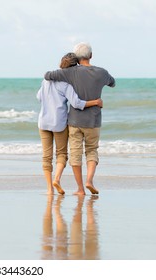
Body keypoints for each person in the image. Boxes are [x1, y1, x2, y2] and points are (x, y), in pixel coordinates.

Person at [44, 42, 115, 196]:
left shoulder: (70, 73)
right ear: (91, 55)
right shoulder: (102, 72)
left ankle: (81, 189)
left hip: (75, 121)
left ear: (77, 57)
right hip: (94, 121)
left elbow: (48, 75)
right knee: (91, 151)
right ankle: (89, 180)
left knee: (75, 154)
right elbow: (112, 83)